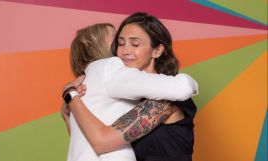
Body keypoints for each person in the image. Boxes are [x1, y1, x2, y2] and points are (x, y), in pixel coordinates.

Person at [62, 15, 198, 161]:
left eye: (135, 44)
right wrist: (67, 116)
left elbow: (101, 142)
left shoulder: (162, 102)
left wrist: (70, 95)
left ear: (156, 51)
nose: (125, 51)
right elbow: (89, 146)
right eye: (120, 43)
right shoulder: (127, 99)